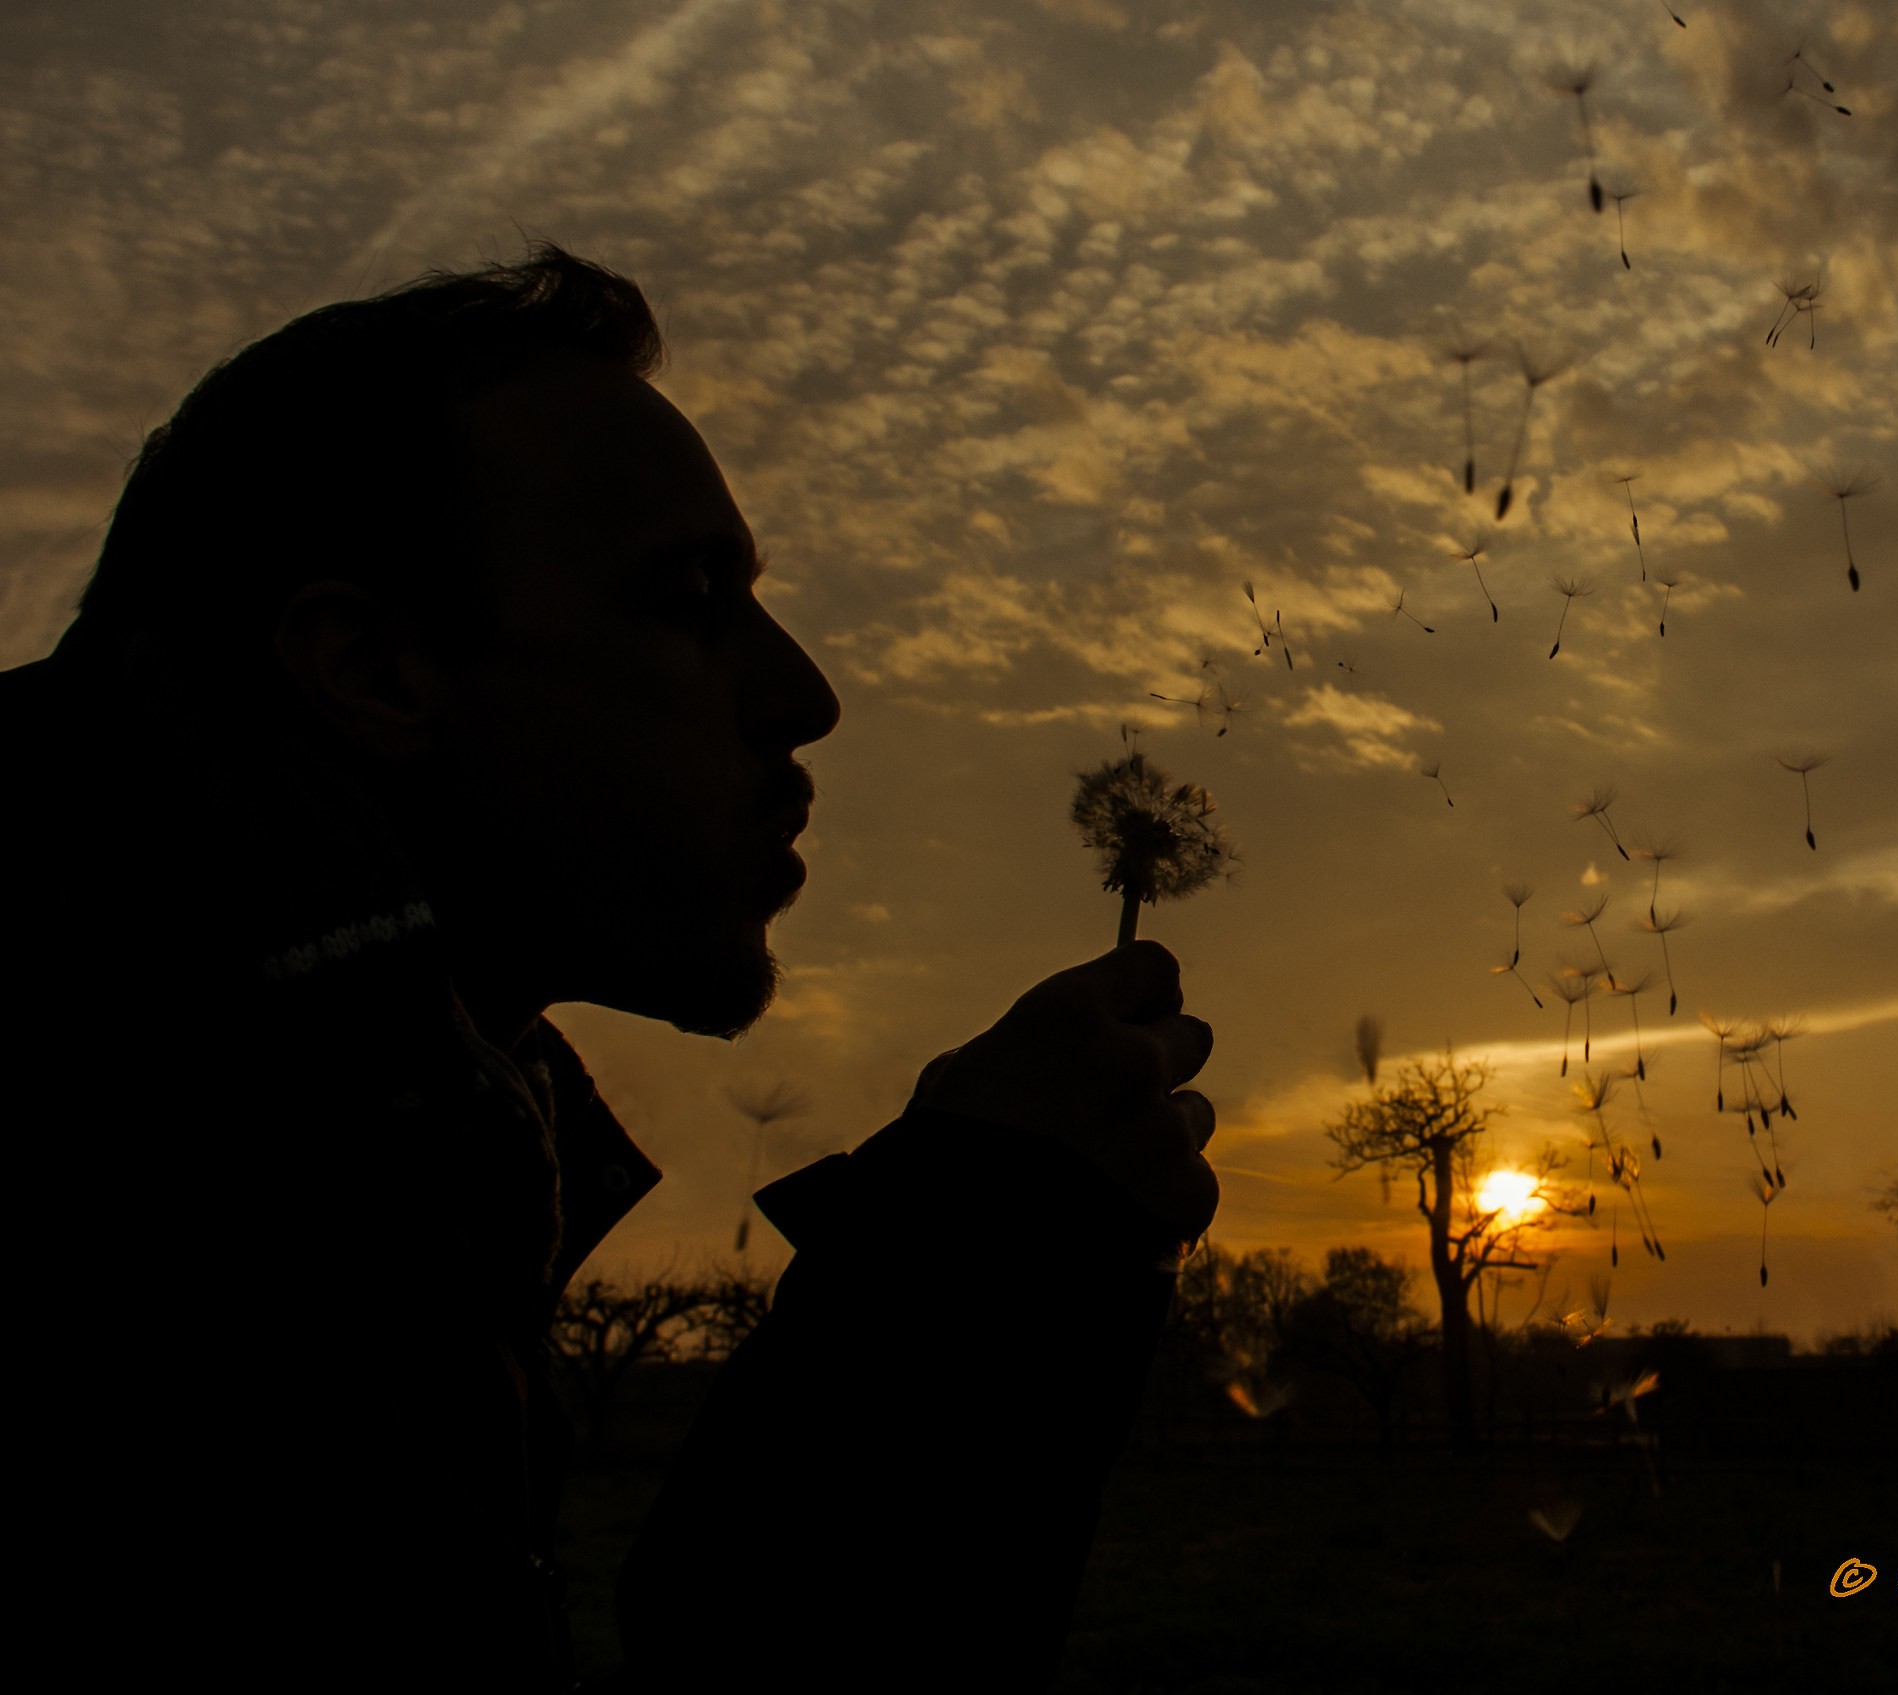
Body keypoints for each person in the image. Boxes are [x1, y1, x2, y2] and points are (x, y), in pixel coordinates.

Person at [1, 246, 1219, 1689]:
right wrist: (957, 1282)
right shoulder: (114, 1200)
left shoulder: (333, 1150)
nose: (806, 695)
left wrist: (962, 1269)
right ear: (376, 672)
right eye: (691, 595)